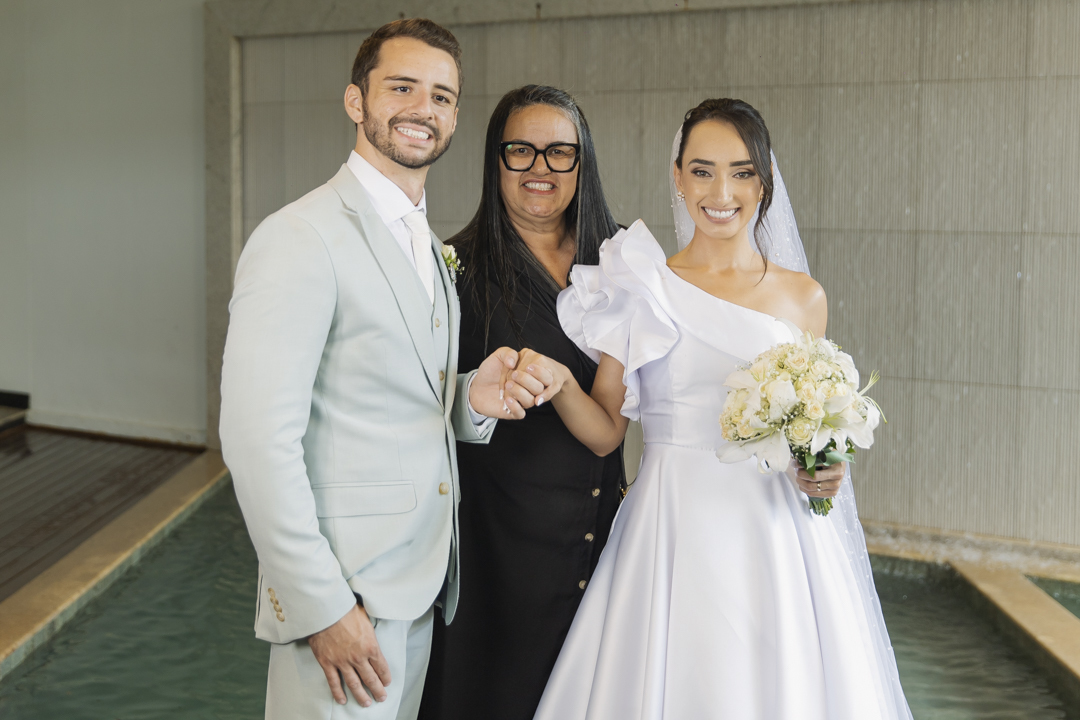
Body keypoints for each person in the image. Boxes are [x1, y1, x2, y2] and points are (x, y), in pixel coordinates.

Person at [520, 99, 913, 719]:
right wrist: (561, 381)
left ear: (764, 182)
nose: (721, 191)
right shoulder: (639, 283)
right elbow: (603, 436)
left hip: (776, 531)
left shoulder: (803, 298)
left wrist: (825, 470)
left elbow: (813, 434)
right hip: (672, 524)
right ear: (677, 176)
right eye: (702, 171)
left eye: (741, 171)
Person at [218, 19, 538, 720]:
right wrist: (322, 606)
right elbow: (256, 441)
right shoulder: (298, 238)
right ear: (356, 103)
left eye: (444, 96)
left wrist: (469, 396)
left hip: (419, 588)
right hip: (345, 597)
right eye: (402, 88)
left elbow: (386, 395)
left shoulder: (424, 241)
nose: (425, 109)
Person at [419, 85, 626, 720]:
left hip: (600, 539)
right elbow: (418, 408)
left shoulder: (621, 262)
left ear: (582, 164)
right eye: (520, 151)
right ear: (494, 161)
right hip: (497, 547)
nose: (540, 168)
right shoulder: (451, 270)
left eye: (559, 153)